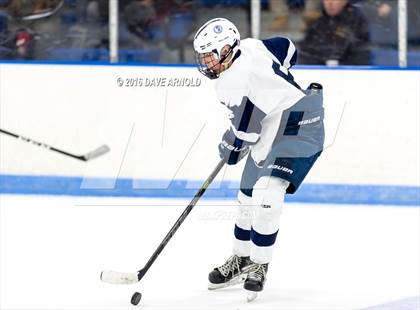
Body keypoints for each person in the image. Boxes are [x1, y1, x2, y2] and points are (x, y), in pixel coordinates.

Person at [193, 18, 325, 300]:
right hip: (272, 127)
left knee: (267, 194)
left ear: (228, 49)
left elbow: (243, 137)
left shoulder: (232, 82)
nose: (207, 64)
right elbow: (287, 49)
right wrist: (279, 84)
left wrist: (230, 147)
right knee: (246, 196)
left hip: (300, 124)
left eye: (210, 57)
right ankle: (240, 259)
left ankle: (259, 264)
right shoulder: (252, 46)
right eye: (203, 57)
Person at [299, 0, 370, 65]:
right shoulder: (318, 23)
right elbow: (306, 53)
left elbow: (360, 54)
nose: (330, 3)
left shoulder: (357, 21)